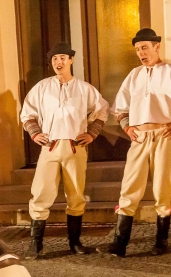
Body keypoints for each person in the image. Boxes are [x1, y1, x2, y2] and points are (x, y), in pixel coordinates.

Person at [100, 29, 171, 257]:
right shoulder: (134, 75)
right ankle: (120, 243)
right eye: (137, 49)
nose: (141, 53)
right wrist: (128, 128)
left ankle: (161, 241)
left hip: (165, 135)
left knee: (163, 187)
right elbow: (119, 108)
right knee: (129, 187)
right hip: (139, 137)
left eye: (144, 48)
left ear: (156, 47)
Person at [20, 42, 109, 259]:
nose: (58, 62)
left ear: (71, 60)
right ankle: (36, 243)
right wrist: (35, 133)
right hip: (50, 147)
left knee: (76, 194)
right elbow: (27, 114)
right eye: (54, 59)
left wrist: (92, 134)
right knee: (41, 192)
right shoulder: (41, 88)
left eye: (62, 58)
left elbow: (102, 110)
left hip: (75, 147)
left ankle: (74, 241)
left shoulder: (84, 89)